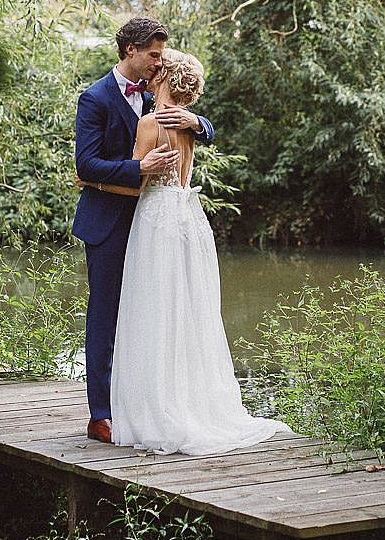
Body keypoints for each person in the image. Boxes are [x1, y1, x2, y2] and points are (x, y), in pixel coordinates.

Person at [109, 48, 291, 455]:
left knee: (154, 310)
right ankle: (191, 403)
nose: (152, 71)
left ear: (164, 78)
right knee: (187, 310)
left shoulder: (150, 123)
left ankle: (159, 409)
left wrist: (93, 181)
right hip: (186, 215)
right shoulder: (188, 125)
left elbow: (135, 183)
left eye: (158, 69)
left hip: (156, 218)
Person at [72, 18, 215, 444]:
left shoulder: (160, 97)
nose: (158, 62)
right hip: (111, 222)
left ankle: (145, 406)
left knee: (151, 315)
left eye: (162, 56)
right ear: (130, 50)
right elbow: (86, 163)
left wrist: (196, 121)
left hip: (155, 222)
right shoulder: (95, 98)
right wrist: (138, 168)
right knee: (106, 317)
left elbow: (204, 129)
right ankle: (101, 414)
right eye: (153, 54)